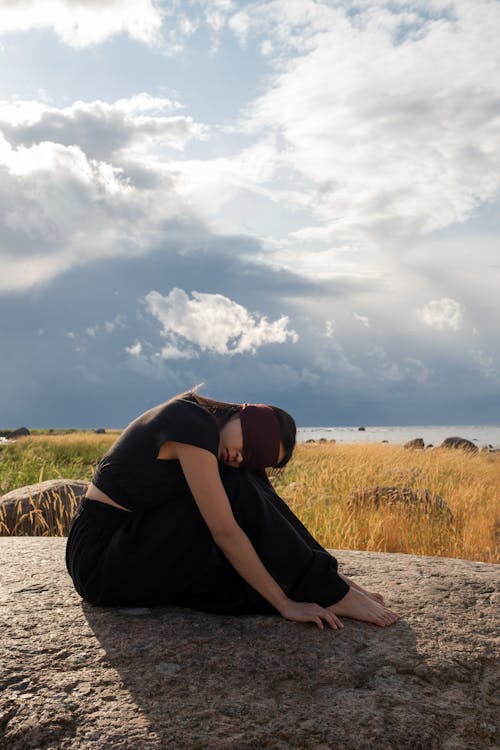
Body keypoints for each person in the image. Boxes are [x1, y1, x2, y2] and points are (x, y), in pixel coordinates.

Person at [66, 389, 399, 630]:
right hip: (102, 558)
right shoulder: (190, 420)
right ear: (244, 418)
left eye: (258, 458)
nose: (243, 457)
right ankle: (328, 592)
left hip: (138, 544)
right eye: (251, 446)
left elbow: (273, 510)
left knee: (247, 582)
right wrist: (285, 606)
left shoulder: (215, 438)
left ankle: (330, 585)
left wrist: (339, 579)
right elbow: (224, 530)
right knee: (236, 486)